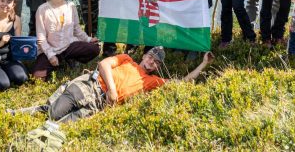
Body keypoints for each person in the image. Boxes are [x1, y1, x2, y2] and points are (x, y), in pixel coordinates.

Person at [24, 47, 214, 123]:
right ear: (144, 56)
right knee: (53, 114)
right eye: (150, 56)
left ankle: (23, 122)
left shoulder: (152, 82)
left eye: (156, 62)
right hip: (88, 88)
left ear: (157, 67)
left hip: (97, 106)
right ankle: (11, 115)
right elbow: (103, 64)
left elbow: (181, 82)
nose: (151, 61)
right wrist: (112, 90)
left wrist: (204, 63)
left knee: (59, 125)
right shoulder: (126, 59)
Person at [32, 0, 101, 80]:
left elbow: (77, 29)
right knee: (38, 77)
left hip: (69, 46)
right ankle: (59, 62)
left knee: (95, 49)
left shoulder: (71, 6)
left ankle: (71, 59)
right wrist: (50, 55)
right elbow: (41, 39)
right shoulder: (42, 9)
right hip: (51, 49)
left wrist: (89, 39)